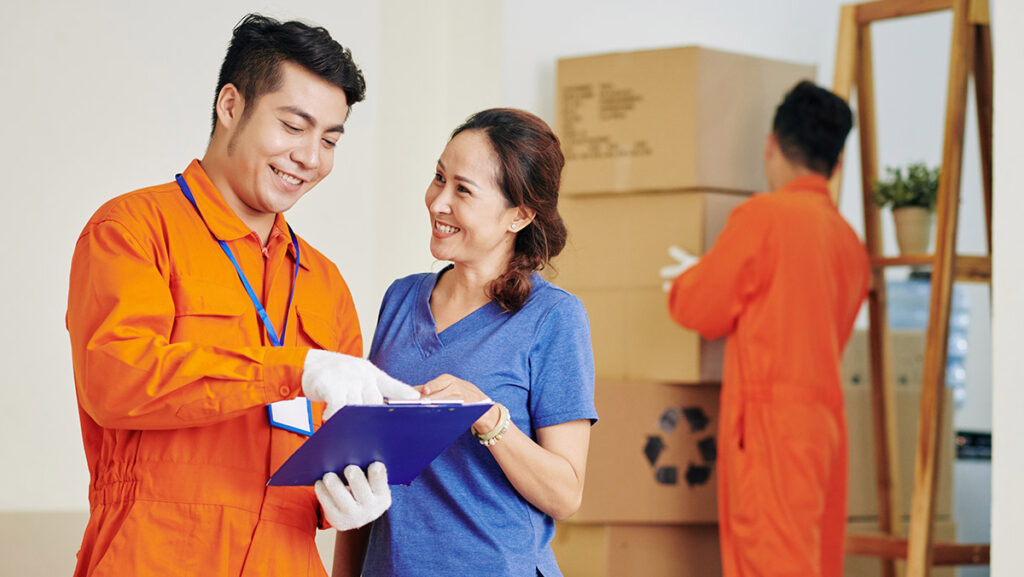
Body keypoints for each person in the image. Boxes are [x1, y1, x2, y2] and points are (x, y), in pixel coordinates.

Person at [66, 14, 417, 577]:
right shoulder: (132, 230)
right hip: (156, 554)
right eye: (294, 126)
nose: (311, 157)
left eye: (329, 139)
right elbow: (117, 380)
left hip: (287, 560)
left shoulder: (323, 283)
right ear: (231, 106)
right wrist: (292, 368)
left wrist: (354, 495)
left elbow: (335, 447)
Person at [345, 108, 597, 577]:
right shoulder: (400, 298)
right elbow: (368, 466)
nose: (439, 201)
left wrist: (487, 415)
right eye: (439, 177)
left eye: (462, 190)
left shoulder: (553, 318)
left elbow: (566, 494)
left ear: (519, 215)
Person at [662, 80, 870, 577]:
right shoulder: (850, 243)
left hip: (771, 432)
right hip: (824, 430)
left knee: (768, 563)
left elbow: (700, 309)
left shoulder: (763, 217)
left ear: (772, 145)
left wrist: (691, 276)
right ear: (837, 164)